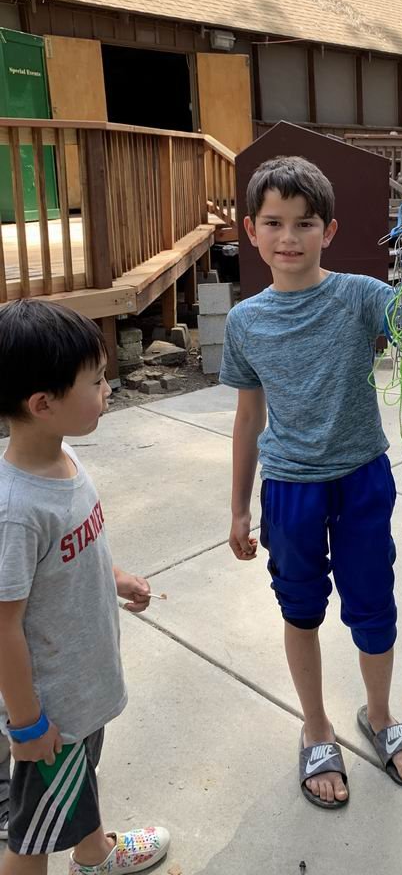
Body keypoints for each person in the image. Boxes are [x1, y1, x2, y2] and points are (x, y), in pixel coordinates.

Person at [220, 155, 402, 809]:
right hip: (289, 490)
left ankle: (380, 714)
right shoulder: (245, 322)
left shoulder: (361, 296)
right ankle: (315, 726)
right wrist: (239, 507)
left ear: (328, 231)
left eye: (305, 223)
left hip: (362, 481)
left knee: (373, 605)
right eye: (274, 223)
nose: (289, 237)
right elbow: (248, 417)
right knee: (299, 609)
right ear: (251, 230)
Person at [0, 300, 170, 873]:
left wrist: (115, 578)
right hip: (51, 713)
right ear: (42, 404)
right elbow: (3, 626)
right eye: (95, 382)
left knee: (78, 784)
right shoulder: (17, 511)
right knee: (31, 841)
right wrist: (28, 725)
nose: (108, 389)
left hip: (82, 687)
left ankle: (94, 853)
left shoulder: (65, 456)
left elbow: (74, 554)